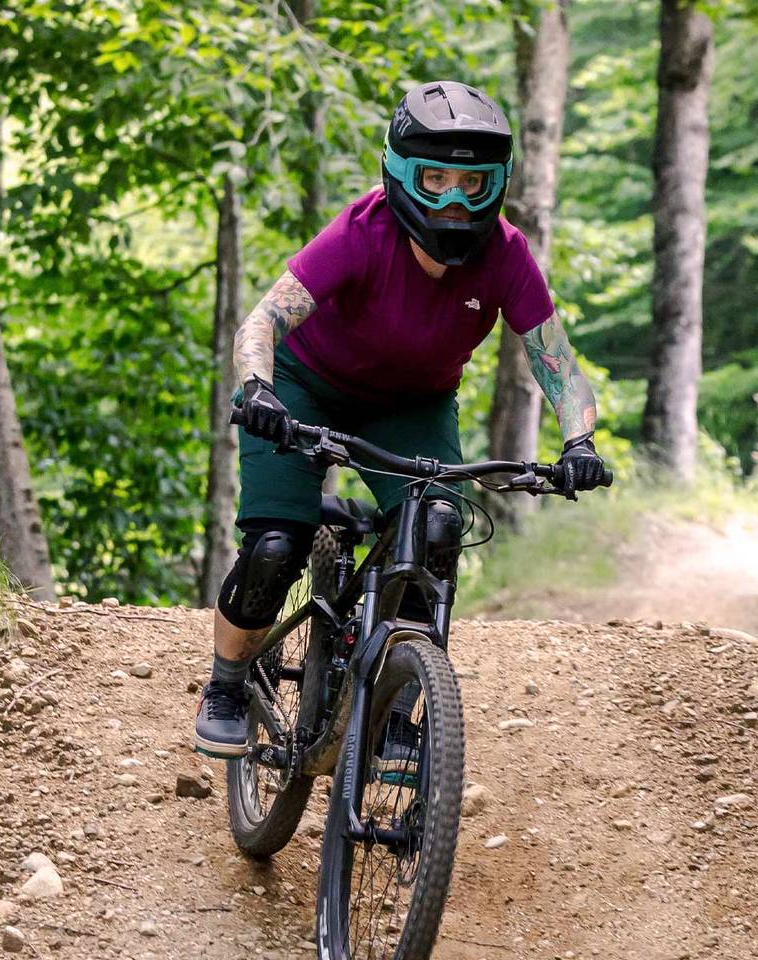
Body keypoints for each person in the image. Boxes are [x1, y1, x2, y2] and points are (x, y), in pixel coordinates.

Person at [194, 80, 611, 758]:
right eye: (435, 179)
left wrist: (579, 440)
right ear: (399, 174)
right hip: (304, 390)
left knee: (438, 531)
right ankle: (227, 683)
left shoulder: (506, 254)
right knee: (275, 547)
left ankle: (391, 705)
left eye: (471, 184)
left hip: (412, 406)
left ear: (497, 183)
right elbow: (264, 320)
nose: (452, 199)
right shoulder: (362, 234)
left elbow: (557, 362)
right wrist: (258, 390)